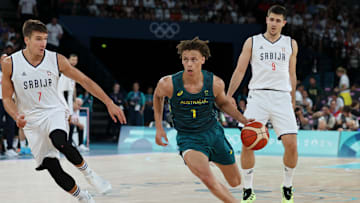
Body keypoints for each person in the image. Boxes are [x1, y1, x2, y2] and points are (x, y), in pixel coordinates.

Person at [1, 19, 126, 203]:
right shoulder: (10, 63)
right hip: (31, 119)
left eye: (45, 38)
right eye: (38, 39)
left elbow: (85, 81)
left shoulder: (56, 59)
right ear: (26, 40)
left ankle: (90, 174)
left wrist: (109, 102)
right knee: (52, 167)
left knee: (59, 139)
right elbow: (6, 98)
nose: (43, 43)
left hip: (54, 111)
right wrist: (15, 115)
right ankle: (82, 196)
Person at [154, 37, 253, 203]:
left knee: (235, 182)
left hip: (213, 134)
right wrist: (159, 127)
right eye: (185, 60)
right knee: (208, 179)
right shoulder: (168, 83)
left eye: (193, 59)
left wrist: (243, 119)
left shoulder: (215, 83)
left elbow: (223, 103)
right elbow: (157, 98)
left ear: (202, 59)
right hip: (189, 139)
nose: (189, 64)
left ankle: (210, 157)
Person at [226, 5, 298, 203]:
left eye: (278, 20)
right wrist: (229, 95)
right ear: (266, 20)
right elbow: (240, 70)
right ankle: (248, 190)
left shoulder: (291, 43)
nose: (274, 23)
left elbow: (292, 73)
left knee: (291, 145)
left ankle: (287, 186)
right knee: (247, 142)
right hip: (258, 96)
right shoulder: (253, 42)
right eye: (271, 19)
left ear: (284, 23)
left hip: (282, 96)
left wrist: (292, 98)